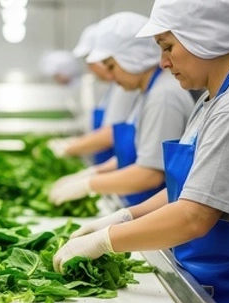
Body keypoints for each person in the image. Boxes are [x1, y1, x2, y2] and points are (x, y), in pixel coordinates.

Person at [52, 1, 229, 303]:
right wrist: (126, 215)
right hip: (216, 280)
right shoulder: (212, 100)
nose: (163, 62)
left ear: (206, 36)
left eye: (168, 47)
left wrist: (106, 239)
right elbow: (188, 190)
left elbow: (194, 217)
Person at [48, 12, 194, 207]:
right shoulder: (147, 93)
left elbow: (151, 174)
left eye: (111, 66)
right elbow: (138, 152)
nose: (108, 75)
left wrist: (89, 184)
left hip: (155, 212)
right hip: (140, 204)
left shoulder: (163, 96)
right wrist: (95, 172)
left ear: (132, 57)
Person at [48, 23, 141, 165]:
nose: (89, 67)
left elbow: (112, 133)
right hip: (111, 164)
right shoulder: (111, 88)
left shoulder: (127, 87)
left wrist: (69, 148)